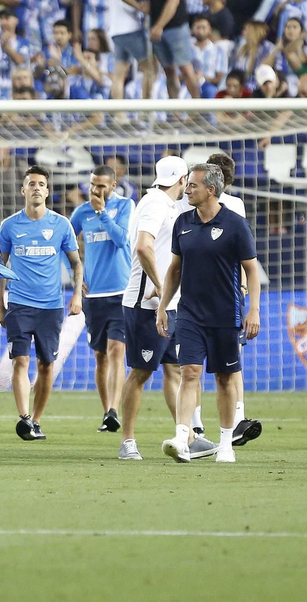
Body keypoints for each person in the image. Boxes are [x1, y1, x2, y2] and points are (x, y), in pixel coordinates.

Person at [158, 162, 262, 464]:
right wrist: (164, 306)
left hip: (226, 314)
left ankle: (226, 443)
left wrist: (253, 310)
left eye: (193, 185)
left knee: (225, 379)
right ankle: (182, 437)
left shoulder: (235, 224)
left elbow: (251, 271)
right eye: (187, 184)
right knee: (188, 372)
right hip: (190, 313)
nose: (187, 189)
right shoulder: (183, 222)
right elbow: (174, 269)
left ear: (210, 190)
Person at [117, 156, 211, 461]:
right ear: (182, 180)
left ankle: (189, 436)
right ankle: (128, 441)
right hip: (147, 303)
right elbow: (143, 245)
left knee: (175, 369)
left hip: (168, 305)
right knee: (141, 372)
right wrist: (160, 284)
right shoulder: (156, 203)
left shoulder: (163, 203)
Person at [0, 165, 83, 441]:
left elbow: (75, 263)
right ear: (23, 190)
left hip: (51, 306)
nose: (36, 187)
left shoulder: (61, 224)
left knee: (46, 365)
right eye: (31, 183)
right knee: (19, 361)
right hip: (19, 304)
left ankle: (36, 419)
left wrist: (77, 295)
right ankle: (23, 418)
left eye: (41, 184)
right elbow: (0, 265)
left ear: (47, 191)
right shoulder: (9, 226)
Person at [69, 163, 133, 433]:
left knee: (117, 350)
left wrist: (103, 213)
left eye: (101, 186)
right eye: (93, 185)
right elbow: (66, 243)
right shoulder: (80, 212)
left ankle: (114, 409)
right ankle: (107, 411)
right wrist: (75, 274)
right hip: (93, 294)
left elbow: (121, 240)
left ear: (113, 185)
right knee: (100, 356)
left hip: (120, 292)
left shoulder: (126, 206)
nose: (95, 190)